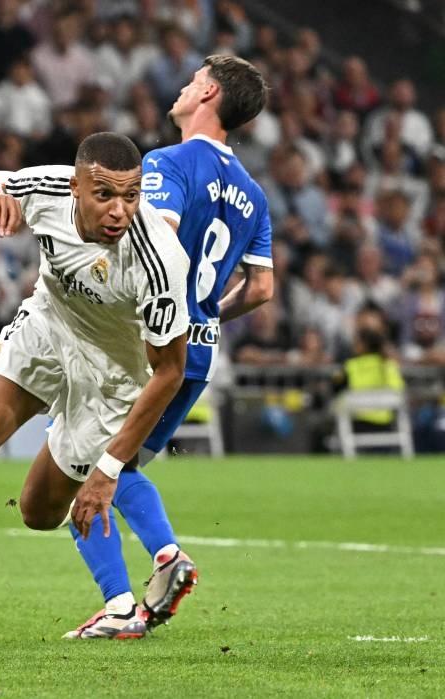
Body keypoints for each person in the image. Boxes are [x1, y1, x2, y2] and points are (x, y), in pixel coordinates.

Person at [0, 132, 191, 675]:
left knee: (39, 513)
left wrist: (109, 470)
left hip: (114, 378)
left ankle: (134, 561)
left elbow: (169, 372)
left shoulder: (160, 260)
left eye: (132, 196)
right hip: (46, 329)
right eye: (105, 195)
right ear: (75, 187)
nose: (119, 210)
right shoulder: (44, 188)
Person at [65, 55, 274, 639]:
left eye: (189, 81)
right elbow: (261, 289)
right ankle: (142, 584)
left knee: (83, 465)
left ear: (207, 91)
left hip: (147, 345)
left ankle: (140, 584)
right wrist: (207, 318)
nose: (180, 88)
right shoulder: (254, 193)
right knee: (121, 465)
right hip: (198, 354)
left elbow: (154, 237)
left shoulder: (167, 163)